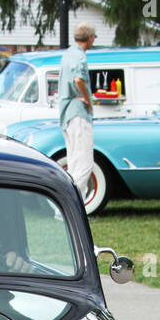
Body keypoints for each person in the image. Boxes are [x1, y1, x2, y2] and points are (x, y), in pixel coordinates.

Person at [58, 23, 96, 199]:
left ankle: (68, 203)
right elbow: (79, 79)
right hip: (78, 113)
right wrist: (87, 99)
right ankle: (77, 204)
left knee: (73, 162)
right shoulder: (80, 57)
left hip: (66, 113)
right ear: (89, 38)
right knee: (85, 162)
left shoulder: (67, 54)